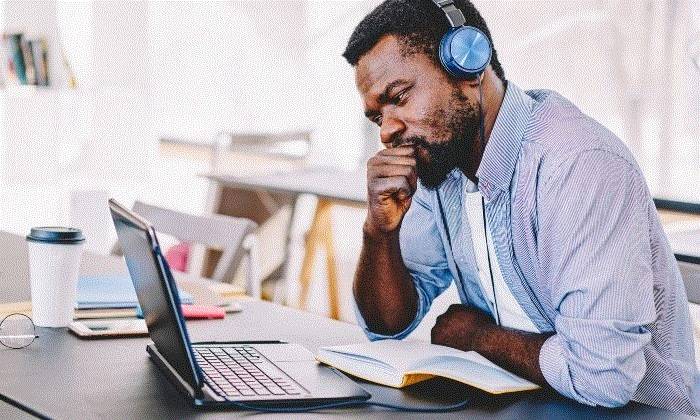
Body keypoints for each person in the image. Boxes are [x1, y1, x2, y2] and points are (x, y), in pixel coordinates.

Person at [343, 0, 699, 415]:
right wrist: (379, 231)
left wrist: (480, 337)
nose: (387, 130)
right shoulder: (443, 164)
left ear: (468, 66)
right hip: (525, 405)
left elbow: (603, 376)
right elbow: (387, 325)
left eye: (399, 97)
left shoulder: (577, 165)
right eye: (376, 117)